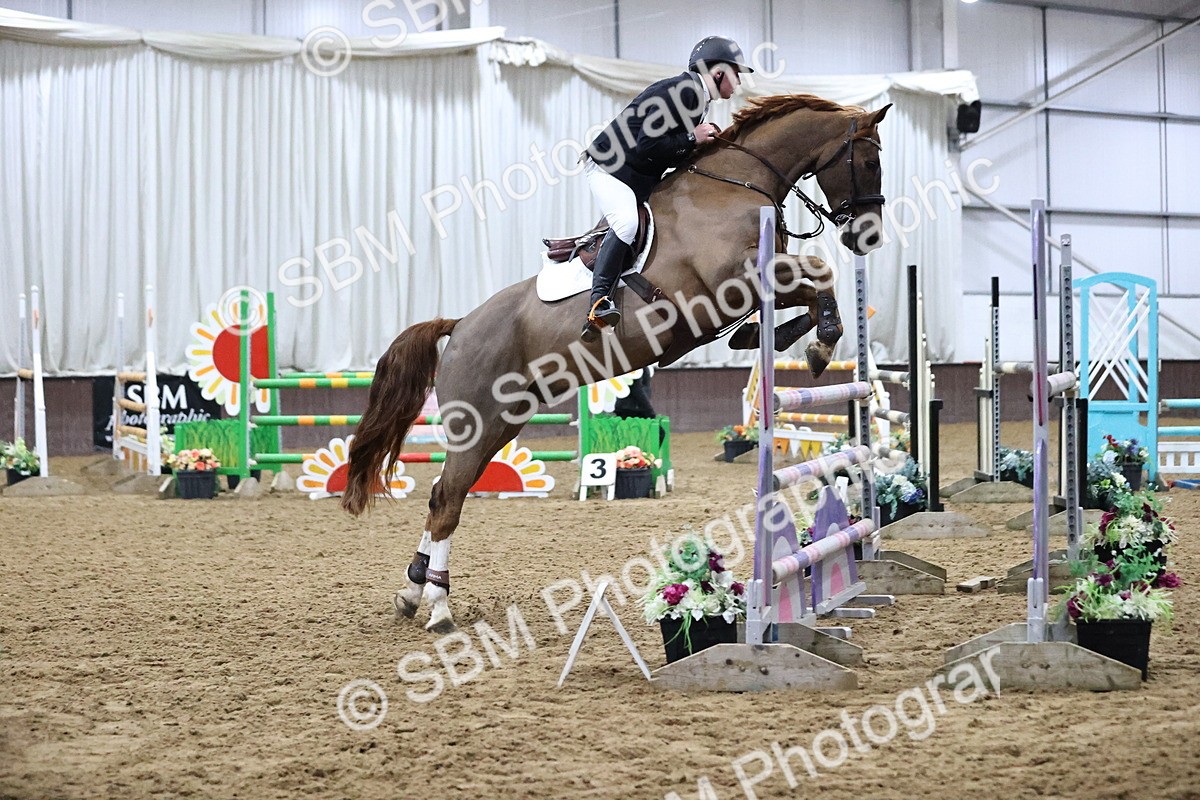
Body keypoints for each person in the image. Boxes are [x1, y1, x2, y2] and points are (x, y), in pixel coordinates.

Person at [578, 36, 754, 343]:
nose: (738, 83)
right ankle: (598, 303)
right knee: (626, 222)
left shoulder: (695, 97)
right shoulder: (683, 92)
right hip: (608, 168)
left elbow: (666, 150)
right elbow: (649, 143)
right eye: (736, 74)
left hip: (634, 173)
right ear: (718, 73)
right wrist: (693, 139)